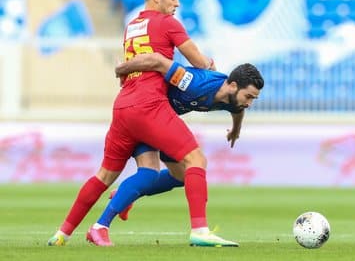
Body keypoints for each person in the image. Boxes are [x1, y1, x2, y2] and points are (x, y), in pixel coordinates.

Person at [48, 0, 234, 248]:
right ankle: (200, 231)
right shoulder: (168, 23)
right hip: (149, 105)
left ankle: (63, 234)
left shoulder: (133, 26)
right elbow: (197, 60)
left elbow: (134, 64)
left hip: (123, 105)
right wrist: (209, 64)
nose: (177, 4)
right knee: (195, 160)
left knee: (112, 175)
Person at [92, 53, 264, 246]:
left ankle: (128, 192)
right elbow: (158, 62)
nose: (249, 103)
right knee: (192, 163)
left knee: (182, 175)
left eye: (253, 99)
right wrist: (124, 69)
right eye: (248, 97)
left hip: (163, 122)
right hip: (146, 114)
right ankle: (101, 225)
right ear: (232, 86)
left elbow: (238, 110)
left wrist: (235, 130)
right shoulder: (197, 84)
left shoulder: (232, 98)